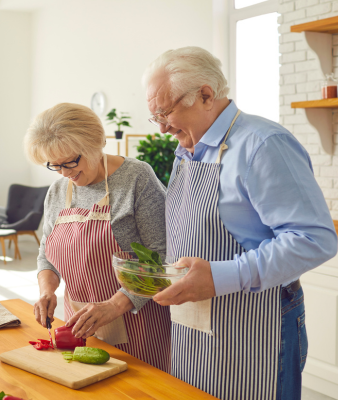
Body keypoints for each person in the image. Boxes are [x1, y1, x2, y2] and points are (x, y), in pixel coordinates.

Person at [142, 46, 338, 399]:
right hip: (195, 322)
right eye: (153, 115)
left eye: (165, 112)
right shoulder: (188, 150)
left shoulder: (263, 144)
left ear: (205, 95)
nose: (160, 127)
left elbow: (314, 239)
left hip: (258, 321)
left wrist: (218, 278)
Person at [24, 103, 171, 372]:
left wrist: (113, 306)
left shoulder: (136, 178)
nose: (65, 173)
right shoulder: (58, 191)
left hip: (138, 324)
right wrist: (47, 290)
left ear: (96, 143)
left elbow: (162, 259)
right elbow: (47, 252)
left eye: (70, 161)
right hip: (80, 326)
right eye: (54, 165)